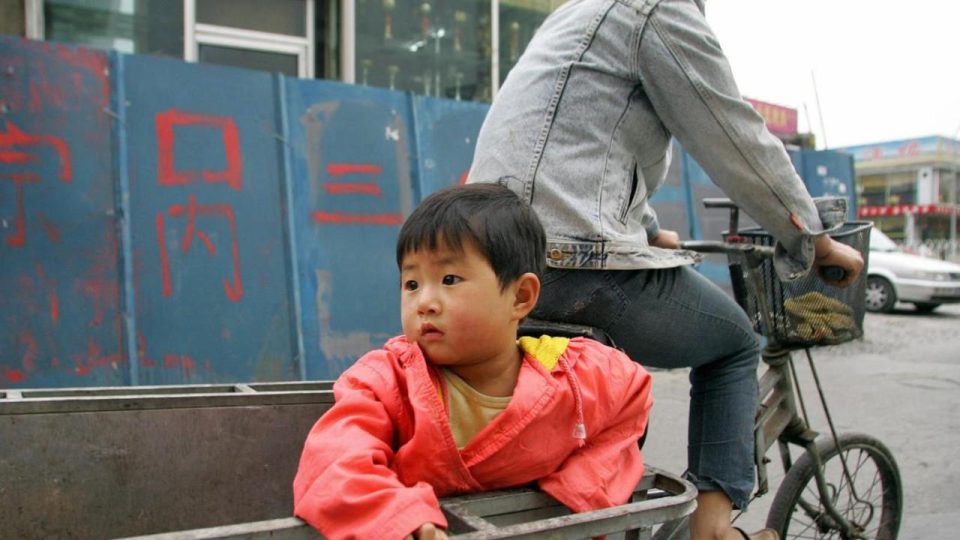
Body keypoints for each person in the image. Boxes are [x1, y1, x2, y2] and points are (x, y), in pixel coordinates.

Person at [466, 1, 864, 539]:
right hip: (570, 260)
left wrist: (650, 230)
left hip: (493, 257)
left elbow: (580, 140)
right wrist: (812, 238)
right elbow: (731, 133)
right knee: (734, 343)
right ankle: (713, 528)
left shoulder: (579, 14)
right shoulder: (657, 8)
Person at [293, 183, 654, 540]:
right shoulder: (387, 381)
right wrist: (397, 518)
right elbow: (333, 461)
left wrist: (580, 488)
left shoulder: (571, 374)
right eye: (412, 284)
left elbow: (631, 394)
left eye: (449, 279)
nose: (424, 303)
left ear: (520, 296)